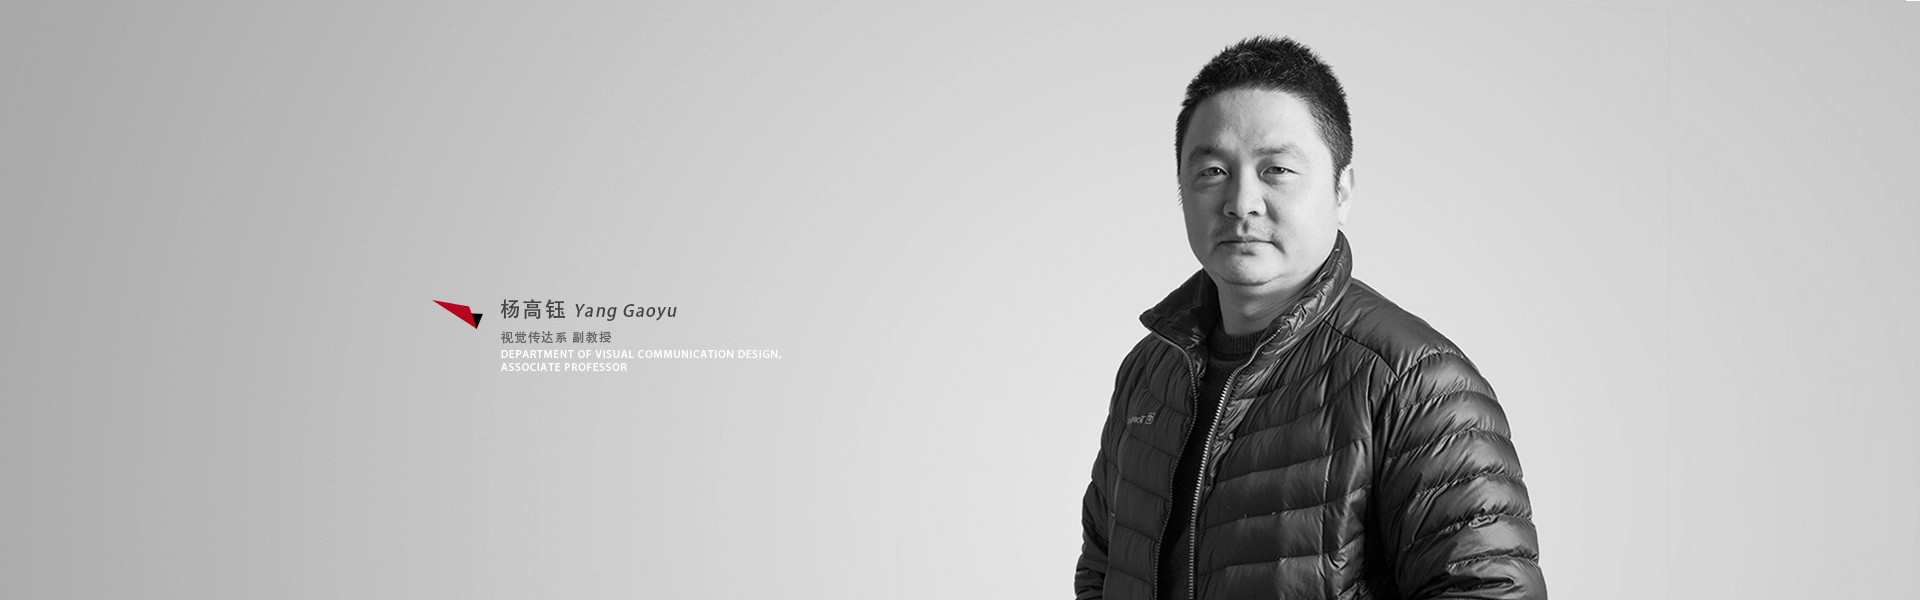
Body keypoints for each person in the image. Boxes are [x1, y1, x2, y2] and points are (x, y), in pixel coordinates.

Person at [1074, 37, 1546, 600]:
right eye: (1213, 171)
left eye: (1277, 169)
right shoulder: (1150, 372)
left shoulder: (1415, 383)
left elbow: (1488, 590)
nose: (1241, 202)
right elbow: (1102, 571)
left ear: (1341, 190)